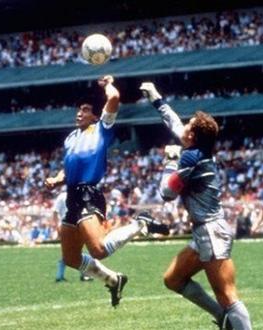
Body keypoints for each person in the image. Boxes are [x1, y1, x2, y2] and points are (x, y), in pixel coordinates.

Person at [45, 75, 169, 307]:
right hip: (72, 195)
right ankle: (113, 280)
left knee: (99, 249)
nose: (79, 113)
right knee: (70, 258)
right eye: (78, 110)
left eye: (85, 110)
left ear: (94, 115)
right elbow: (69, 168)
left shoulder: (102, 128)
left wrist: (108, 84)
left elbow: (114, 98)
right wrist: (57, 179)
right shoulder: (71, 138)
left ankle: (140, 224)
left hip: (88, 194)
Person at [140, 82, 252, 329]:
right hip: (205, 232)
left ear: (192, 137)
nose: (184, 128)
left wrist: (169, 161)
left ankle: (230, 318)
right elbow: (175, 124)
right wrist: (156, 98)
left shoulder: (191, 157)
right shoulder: (197, 150)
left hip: (211, 232)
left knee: (228, 296)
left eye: (188, 126)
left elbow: (166, 193)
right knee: (174, 278)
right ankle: (224, 320)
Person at [53, 189, 93, 282]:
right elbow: (55, 212)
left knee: (73, 251)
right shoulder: (71, 196)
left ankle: (60, 276)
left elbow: (55, 213)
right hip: (72, 225)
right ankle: (82, 275)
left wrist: (57, 227)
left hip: (68, 226)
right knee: (72, 251)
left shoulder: (62, 196)